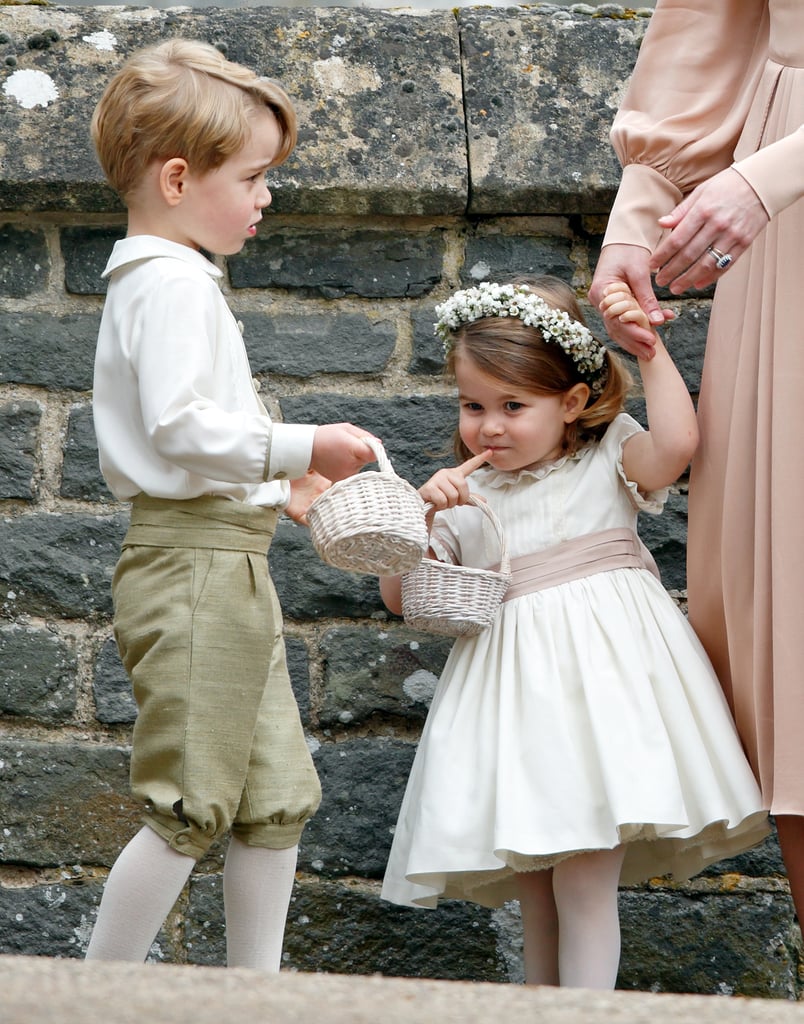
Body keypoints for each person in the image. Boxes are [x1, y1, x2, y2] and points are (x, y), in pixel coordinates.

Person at [378, 277, 769, 989]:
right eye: (473, 406)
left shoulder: (607, 456)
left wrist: (646, 350)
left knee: (585, 885)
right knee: (536, 892)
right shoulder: (470, 497)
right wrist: (419, 520)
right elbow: (404, 598)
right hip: (517, 710)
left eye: (512, 406)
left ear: (573, 402)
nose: (488, 426)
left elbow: (678, 444)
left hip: (606, 699)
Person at [85, 39, 379, 970]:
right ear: (178, 177)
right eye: (254, 177)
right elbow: (179, 428)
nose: (265, 197)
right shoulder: (169, 283)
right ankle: (94, 991)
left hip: (225, 561)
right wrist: (304, 444)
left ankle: (257, 991)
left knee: (273, 794)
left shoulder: (171, 276)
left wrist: (278, 487)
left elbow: (200, 427)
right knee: (190, 803)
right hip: (195, 569)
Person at [588, 1, 804, 924]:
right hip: (780, 225)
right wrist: (638, 219)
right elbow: (711, 27)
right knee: (789, 626)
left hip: (775, 182)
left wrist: (775, 174)